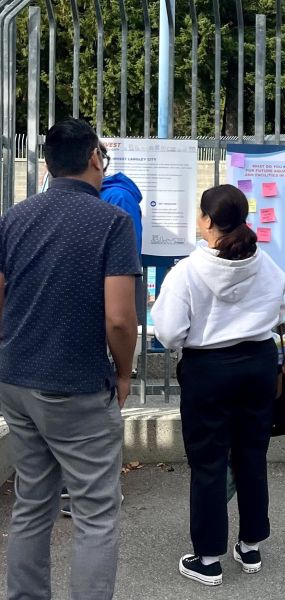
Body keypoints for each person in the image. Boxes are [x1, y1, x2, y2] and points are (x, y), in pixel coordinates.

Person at [0, 118, 140, 599]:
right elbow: (120, 319)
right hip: (77, 385)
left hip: (16, 380)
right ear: (95, 159)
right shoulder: (112, 222)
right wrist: (124, 373)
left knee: (32, 503)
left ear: (47, 164)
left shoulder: (14, 218)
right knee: (96, 512)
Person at [151, 184, 285, 586]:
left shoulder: (187, 272)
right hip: (259, 366)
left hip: (209, 370)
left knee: (209, 463)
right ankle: (251, 545)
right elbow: (278, 311)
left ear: (207, 221)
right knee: (251, 454)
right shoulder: (268, 265)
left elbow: (170, 332)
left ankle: (208, 557)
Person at [61, 146, 145, 518]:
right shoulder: (112, 199)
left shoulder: (114, 201)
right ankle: (85, 489)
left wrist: (124, 369)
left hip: (103, 315)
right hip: (100, 314)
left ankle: (89, 491)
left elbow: (119, 313)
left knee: (97, 413)